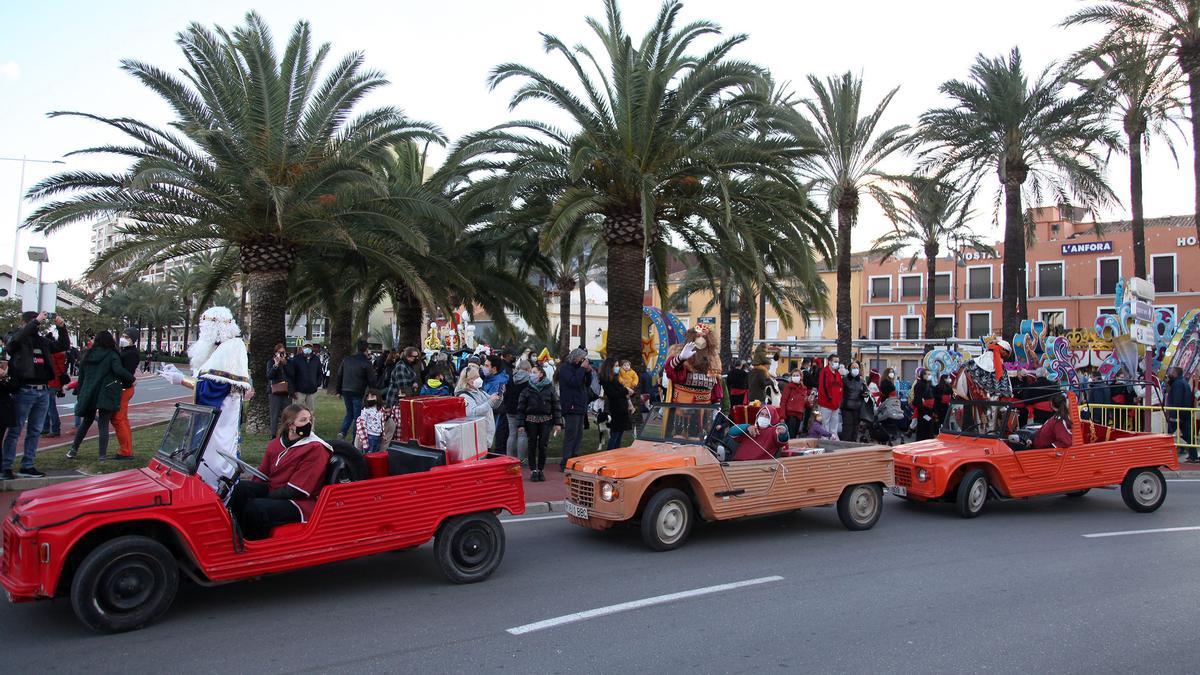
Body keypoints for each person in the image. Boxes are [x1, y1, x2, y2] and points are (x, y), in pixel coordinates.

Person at [159, 306, 254, 491]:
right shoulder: (222, 348)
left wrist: (182, 380)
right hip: (218, 418)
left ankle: (215, 496)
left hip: (219, 423)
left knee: (213, 463)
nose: (202, 331)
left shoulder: (230, 348)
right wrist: (181, 375)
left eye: (205, 326)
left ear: (215, 327)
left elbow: (213, 389)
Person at [227, 405, 332, 540]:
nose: (309, 424)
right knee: (240, 489)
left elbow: (299, 490)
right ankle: (235, 534)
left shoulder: (316, 448)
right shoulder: (276, 443)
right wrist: (253, 491)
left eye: (310, 420)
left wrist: (264, 497)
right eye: (303, 420)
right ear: (290, 425)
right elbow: (261, 474)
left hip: (300, 502)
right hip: (277, 490)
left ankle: (251, 545)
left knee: (255, 507)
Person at [2, 311, 69, 480]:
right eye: (34, 322)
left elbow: (62, 345)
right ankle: (5, 467)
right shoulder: (17, 339)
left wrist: (62, 328)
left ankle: (28, 465)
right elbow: (12, 343)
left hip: (43, 390)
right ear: (26, 323)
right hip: (24, 389)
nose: (38, 324)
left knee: (35, 430)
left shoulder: (42, 341)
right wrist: (35, 322)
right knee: (15, 429)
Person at [66, 330, 136, 461]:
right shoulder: (112, 354)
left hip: (89, 392)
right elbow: (118, 369)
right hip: (105, 393)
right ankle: (101, 456)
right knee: (103, 424)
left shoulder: (87, 354)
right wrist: (132, 379)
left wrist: (79, 392)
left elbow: (81, 376)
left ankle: (73, 450)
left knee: (86, 422)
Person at [518, 364, 561, 482]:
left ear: (541, 374)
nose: (531, 374)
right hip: (530, 421)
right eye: (531, 372)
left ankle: (541, 469)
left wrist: (558, 423)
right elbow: (521, 408)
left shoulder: (550, 389)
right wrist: (520, 424)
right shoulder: (526, 390)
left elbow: (556, 406)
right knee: (531, 445)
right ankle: (533, 470)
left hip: (546, 421)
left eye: (534, 372)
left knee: (543, 446)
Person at [662, 324, 723, 404]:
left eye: (704, 337)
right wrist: (681, 358)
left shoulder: (713, 360)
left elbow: (716, 386)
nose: (701, 340)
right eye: (698, 336)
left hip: (705, 410)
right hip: (681, 408)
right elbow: (669, 371)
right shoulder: (679, 354)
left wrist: (716, 405)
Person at [556, 348, 592, 470]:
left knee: (579, 434)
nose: (582, 361)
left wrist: (588, 372)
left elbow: (586, 384)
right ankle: (565, 462)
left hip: (580, 405)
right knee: (571, 434)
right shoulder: (566, 368)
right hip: (571, 406)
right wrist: (582, 369)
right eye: (581, 358)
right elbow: (574, 382)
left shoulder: (579, 369)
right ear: (575, 357)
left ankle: (574, 459)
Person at [110, 327, 142, 459]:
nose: (123, 339)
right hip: (124, 388)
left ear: (133, 340)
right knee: (120, 419)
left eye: (127, 337)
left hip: (125, 389)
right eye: (123, 336)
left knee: (119, 419)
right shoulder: (126, 351)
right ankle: (125, 448)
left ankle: (126, 451)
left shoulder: (131, 353)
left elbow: (126, 372)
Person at [335, 340, 376, 439]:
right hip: (358, 391)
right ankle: (355, 438)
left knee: (349, 412)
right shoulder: (367, 363)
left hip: (346, 389)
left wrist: (338, 390)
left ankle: (343, 431)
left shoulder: (347, 359)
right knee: (358, 415)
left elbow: (339, 375)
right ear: (366, 350)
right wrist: (373, 391)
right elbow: (371, 379)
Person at [456, 363, 501, 445]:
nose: (479, 379)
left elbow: (493, 405)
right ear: (469, 380)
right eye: (476, 377)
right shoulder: (465, 396)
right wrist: (490, 401)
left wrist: (498, 398)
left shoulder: (479, 391)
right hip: (478, 437)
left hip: (486, 435)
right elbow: (472, 413)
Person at [599, 357, 632, 449]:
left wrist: (627, 391)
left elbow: (620, 391)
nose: (618, 368)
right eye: (616, 366)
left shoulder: (615, 378)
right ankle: (610, 453)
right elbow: (613, 393)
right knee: (615, 434)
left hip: (621, 408)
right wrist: (626, 390)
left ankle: (616, 453)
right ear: (610, 367)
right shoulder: (606, 380)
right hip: (616, 408)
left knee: (619, 434)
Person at [1165, 367, 1196, 462]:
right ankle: (1193, 456)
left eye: (1171, 372)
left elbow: (1177, 400)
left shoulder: (1178, 384)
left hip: (1177, 414)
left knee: (1168, 435)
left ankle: (1165, 456)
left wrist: (1174, 415)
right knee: (1188, 436)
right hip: (1185, 413)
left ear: (1175, 373)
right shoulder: (1184, 383)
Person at [503, 358, 532, 461]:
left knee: (512, 434)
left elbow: (506, 393)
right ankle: (521, 459)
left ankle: (509, 457)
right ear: (528, 369)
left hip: (510, 409)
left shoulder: (511, 377)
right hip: (523, 410)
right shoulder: (529, 380)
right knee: (522, 434)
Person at [482, 355, 510, 452]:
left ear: (494, 368)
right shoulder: (488, 378)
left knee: (497, 443)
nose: (484, 368)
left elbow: (494, 402)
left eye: (486, 366)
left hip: (496, 415)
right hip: (489, 414)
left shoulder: (498, 382)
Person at [286, 342, 323, 412]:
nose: (307, 348)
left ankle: (310, 423)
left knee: (311, 412)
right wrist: (292, 390)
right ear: (302, 348)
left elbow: (320, 373)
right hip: (299, 391)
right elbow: (291, 374)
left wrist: (317, 384)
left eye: (309, 347)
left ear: (312, 348)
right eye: (305, 347)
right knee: (296, 411)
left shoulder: (316, 359)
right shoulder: (296, 359)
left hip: (312, 390)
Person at [266, 343, 290, 438]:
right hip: (274, 392)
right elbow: (269, 376)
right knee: (274, 414)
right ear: (275, 353)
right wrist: (276, 365)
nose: (281, 354)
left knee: (287, 413)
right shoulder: (271, 362)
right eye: (279, 352)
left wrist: (285, 364)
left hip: (286, 391)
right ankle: (273, 434)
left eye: (283, 352)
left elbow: (291, 374)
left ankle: (286, 433)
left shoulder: (287, 362)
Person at [817, 355, 844, 439]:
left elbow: (840, 387)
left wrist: (839, 400)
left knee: (834, 426)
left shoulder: (837, 373)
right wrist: (830, 398)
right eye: (835, 361)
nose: (836, 363)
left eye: (837, 361)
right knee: (825, 425)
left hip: (835, 404)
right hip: (826, 404)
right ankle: (825, 442)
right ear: (829, 361)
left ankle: (834, 442)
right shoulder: (824, 372)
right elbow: (823, 387)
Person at [840, 361, 867, 443]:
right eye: (853, 368)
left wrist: (865, 394)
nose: (855, 369)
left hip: (858, 407)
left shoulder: (861, 381)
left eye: (857, 368)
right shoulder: (844, 380)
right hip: (846, 407)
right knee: (847, 427)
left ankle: (853, 443)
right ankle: (845, 444)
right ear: (849, 369)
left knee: (855, 427)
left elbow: (865, 391)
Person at [780, 369, 809, 438]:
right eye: (794, 375)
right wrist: (782, 416)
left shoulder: (804, 388)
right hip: (790, 415)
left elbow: (805, 403)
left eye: (797, 375)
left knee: (795, 434)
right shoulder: (788, 387)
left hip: (799, 414)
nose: (795, 377)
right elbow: (783, 402)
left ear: (801, 377)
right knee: (790, 435)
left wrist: (809, 401)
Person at [912, 368, 937, 441]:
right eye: (928, 374)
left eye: (930, 374)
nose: (929, 376)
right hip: (923, 410)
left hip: (930, 409)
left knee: (930, 426)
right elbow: (918, 399)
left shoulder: (929, 384)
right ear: (923, 375)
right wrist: (923, 412)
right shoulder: (919, 384)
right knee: (924, 427)